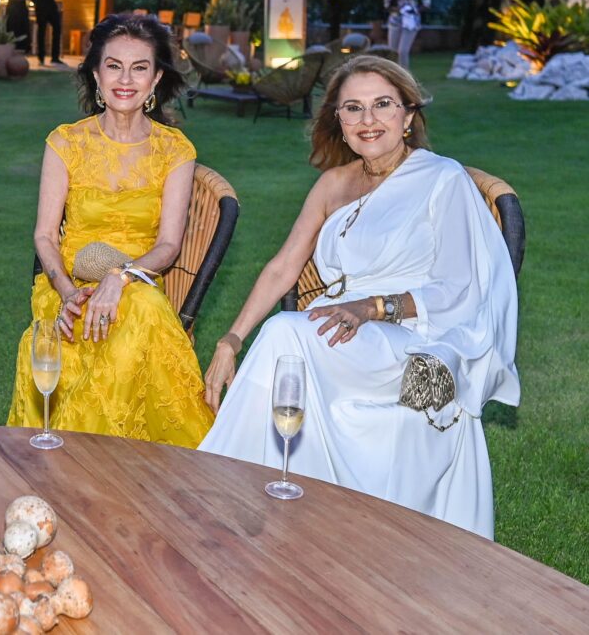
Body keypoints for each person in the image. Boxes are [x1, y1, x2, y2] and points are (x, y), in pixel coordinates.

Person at [199, 56, 518, 537]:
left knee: (288, 333)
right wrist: (230, 339)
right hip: (342, 338)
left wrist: (372, 308)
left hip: (408, 336)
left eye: (382, 105)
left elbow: (459, 285)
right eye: (353, 108)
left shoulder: (443, 179)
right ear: (339, 121)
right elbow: (284, 265)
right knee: (286, 339)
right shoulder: (334, 183)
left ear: (408, 116)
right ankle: (250, 502)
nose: (368, 121)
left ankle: (216, 497)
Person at [6, 14, 215, 446]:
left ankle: (88, 456)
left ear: (156, 78)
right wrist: (66, 292)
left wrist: (120, 278)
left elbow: (169, 245)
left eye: (140, 67)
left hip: (135, 282)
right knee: (137, 313)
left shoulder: (175, 150)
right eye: (114, 65)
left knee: (140, 308)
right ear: (96, 74)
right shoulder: (65, 143)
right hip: (67, 287)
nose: (126, 79)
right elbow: (45, 236)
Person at [382, 0, 431, 69]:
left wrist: (414, 10)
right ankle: (392, 76)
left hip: (411, 21)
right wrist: (397, 9)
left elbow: (427, 4)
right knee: (392, 51)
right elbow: (386, 3)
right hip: (396, 19)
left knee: (403, 51)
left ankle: (405, 78)